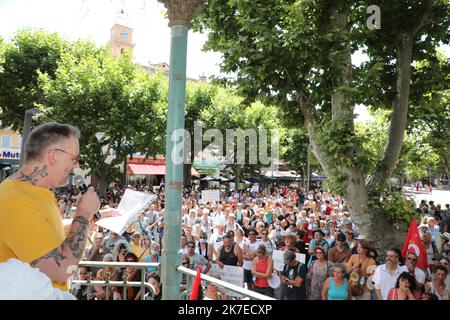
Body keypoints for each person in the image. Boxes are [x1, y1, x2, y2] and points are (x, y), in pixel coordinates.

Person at [0, 122, 118, 291]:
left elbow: (46, 234)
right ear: (53, 155)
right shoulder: (18, 201)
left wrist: (95, 216)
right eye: (74, 158)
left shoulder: (33, 192)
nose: (76, 166)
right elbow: (62, 270)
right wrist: (83, 214)